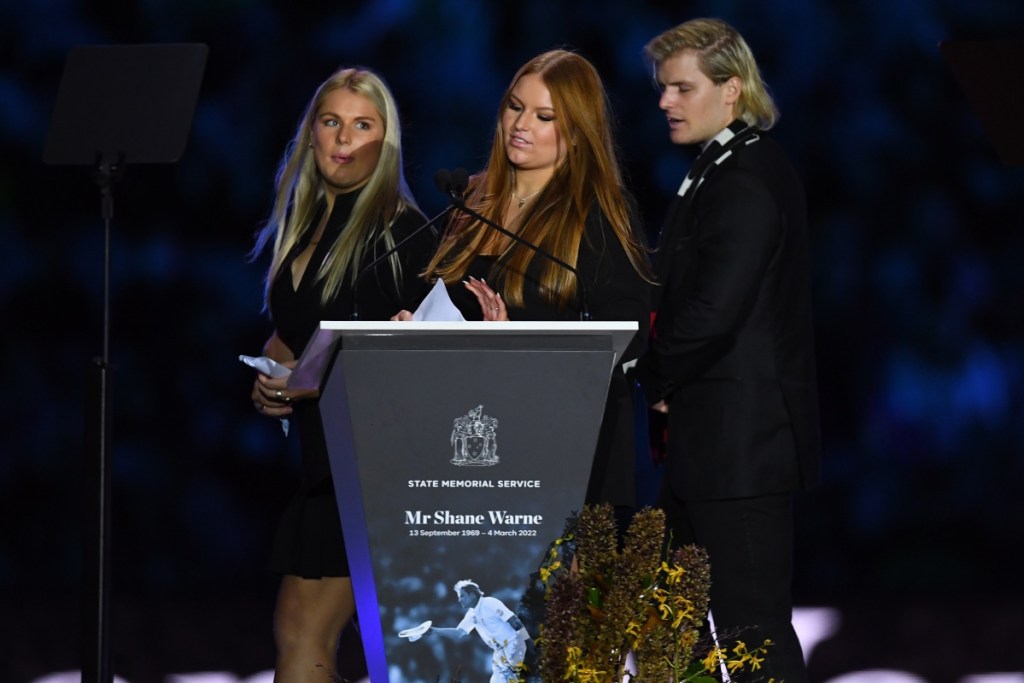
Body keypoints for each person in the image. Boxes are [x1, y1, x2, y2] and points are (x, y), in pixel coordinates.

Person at [633, 17, 822, 683]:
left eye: (682, 88)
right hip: (711, 449)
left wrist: (649, 372)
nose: (665, 101)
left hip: (740, 451)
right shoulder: (725, 167)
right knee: (671, 629)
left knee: (753, 637)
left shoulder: (745, 177)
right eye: (663, 88)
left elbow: (713, 313)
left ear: (732, 89)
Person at [398, 49, 652, 527]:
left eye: (544, 116)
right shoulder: (471, 202)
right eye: (515, 107)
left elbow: (629, 332)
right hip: (463, 456)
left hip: (564, 454)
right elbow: (433, 302)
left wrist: (516, 340)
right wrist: (411, 325)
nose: (521, 124)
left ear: (576, 132)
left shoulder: (598, 213)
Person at [248, 66, 435, 682]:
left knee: (307, 633)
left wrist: (309, 373)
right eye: (331, 121)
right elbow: (298, 330)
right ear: (311, 133)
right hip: (325, 460)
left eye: (363, 125)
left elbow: (427, 346)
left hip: (376, 468)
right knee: (305, 634)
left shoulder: (400, 233)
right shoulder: (305, 223)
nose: (345, 138)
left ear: (387, 142)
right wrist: (272, 371)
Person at [415, 580, 532, 683]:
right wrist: (434, 630)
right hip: (499, 653)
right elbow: (458, 633)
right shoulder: (471, 614)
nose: (459, 600)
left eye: (462, 596)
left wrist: (528, 641)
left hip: (513, 646)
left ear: (472, 595)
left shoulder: (489, 602)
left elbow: (514, 620)